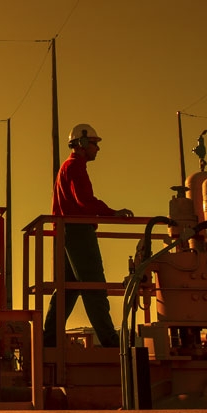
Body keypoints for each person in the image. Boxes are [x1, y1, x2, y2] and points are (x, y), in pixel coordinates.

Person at [43, 123, 134, 348]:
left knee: (67, 290)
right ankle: (110, 341)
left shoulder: (68, 167)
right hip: (78, 230)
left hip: (65, 232)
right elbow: (84, 200)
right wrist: (112, 213)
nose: (97, 149)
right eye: (95, 144)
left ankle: (48, 340)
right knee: (94, 286)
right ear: (82, 144)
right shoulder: (75, 167)